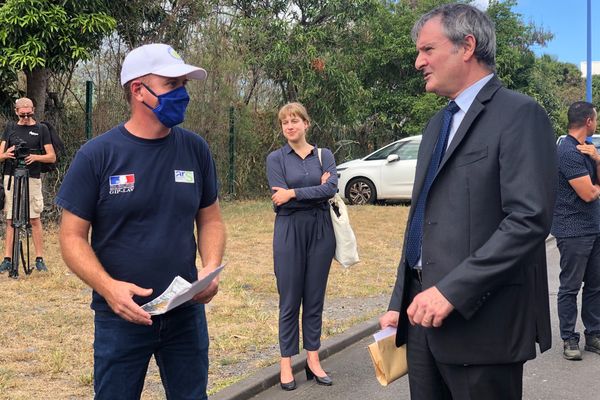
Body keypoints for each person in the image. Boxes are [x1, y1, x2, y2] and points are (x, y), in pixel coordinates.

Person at [378, 4, 557, 399]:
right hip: (421, 320)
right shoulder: (437, 123)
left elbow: (528, 220)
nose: (417, 61)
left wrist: (451, 291)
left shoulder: (519, 114)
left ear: (466, 46)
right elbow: (422, 217)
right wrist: (400, 297)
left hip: (483, 326)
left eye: (427, 49)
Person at [56, 43, 225, 400]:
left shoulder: (196, 150)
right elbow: (71, 237)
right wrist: (108, 288)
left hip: (185, 314)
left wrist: (209, 268)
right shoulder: (97, 155)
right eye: (171, 84)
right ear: (138, 90)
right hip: (121, 317)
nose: (182, 95)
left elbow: (210, 219)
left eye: (184, 85)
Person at [266, 102, 337, 391]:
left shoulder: (324, 155)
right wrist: (313, 191)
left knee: (314, 297)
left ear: (306, 124)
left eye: (295, 121)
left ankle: (313, 359)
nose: (290, 126)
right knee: (290, 298)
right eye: (285, 123)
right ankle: (286, 363)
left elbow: (330, 189)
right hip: (289, 230)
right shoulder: (276, 159)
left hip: (321, 230)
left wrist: (294, 192)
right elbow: (277, 199)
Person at [551, 101, 600, 361]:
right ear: (589, 121)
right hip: (573, 231)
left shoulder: (586, 150)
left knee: (595, 286)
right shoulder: (567, 152)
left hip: (593, 227)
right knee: (570, 287)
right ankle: (569, 338)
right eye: (596, 118)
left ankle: (594, 334)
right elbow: (590, 193)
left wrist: (598, 158)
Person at [0, 97, 55, 275]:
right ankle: (7, 259)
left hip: (32, 177)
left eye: (28, 113)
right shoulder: (10, 128)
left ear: (33, 110)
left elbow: (51, 157)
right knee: (10, 219)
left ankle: (39, 259)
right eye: (22, 114)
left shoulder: (41, 129)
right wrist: (7, 154)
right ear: (16, 111)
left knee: (34, 218)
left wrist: (35, 157)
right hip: (11, 176)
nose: (25, 117)